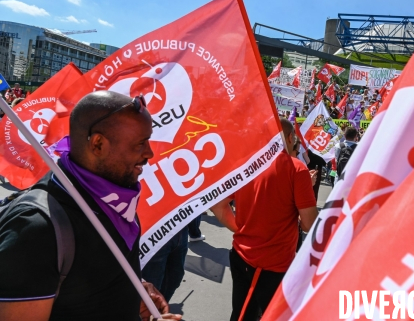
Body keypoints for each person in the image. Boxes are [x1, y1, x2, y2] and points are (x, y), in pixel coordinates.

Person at [0, 91, 180, 321]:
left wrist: (133, 288)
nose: (150, 153)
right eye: (140, 143)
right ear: (98, 144)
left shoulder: (114, 196)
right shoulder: (36, 228)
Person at [211, 118, 318, 321]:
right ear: (289, 138)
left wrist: (240, 229)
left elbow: (217, 205)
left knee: (243, 313)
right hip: (273, 263)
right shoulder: (297, 169)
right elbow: (309, 224)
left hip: (241, 254)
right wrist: (304, 190)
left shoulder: (245, 164)